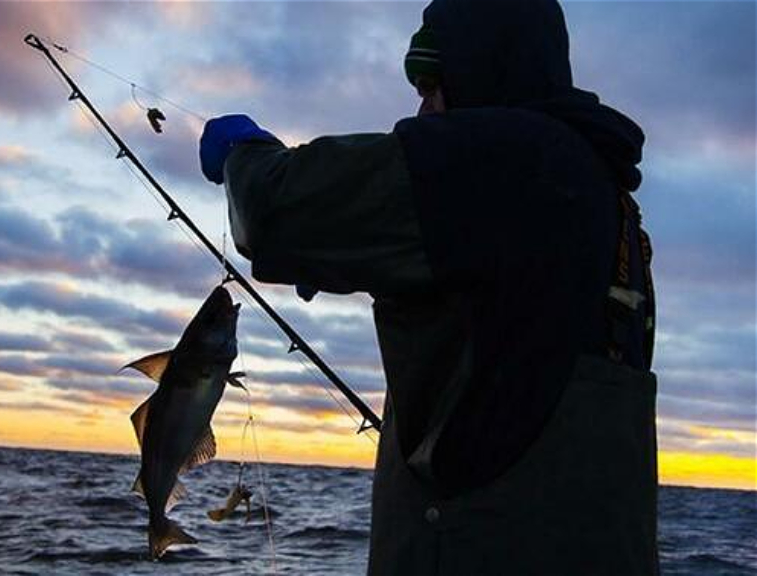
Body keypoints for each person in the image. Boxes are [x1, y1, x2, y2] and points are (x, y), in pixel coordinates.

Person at [199, 0, 658, 574]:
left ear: (485, 69)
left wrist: (245, 154)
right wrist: (358, 259)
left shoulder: (507, 156)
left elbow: (272, 212)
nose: (422, 108)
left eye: (436, 83)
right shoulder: (605, 202)